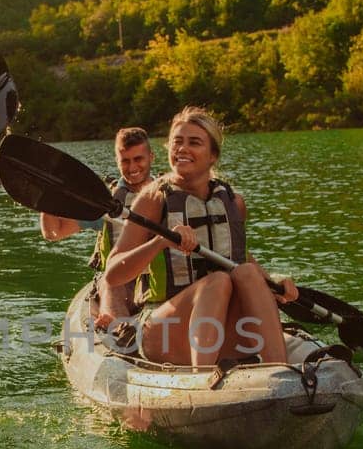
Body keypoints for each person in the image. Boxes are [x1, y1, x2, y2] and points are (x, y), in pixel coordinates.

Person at [102, 107, 299, 367]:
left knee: (247, 273)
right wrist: (160, 242)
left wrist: (273, 282)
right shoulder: (152, 199)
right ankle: (202, 378)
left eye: (194, 142)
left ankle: (282, 372)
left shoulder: (233, 202)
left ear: (213, 156)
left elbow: (239, 257)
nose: (182, 149)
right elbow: (113, 274)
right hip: (166, 331)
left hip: (221, 332)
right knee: (217, 281)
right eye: (177, 142)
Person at [39, 127, 154, 328]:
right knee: (112, 281)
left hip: (160, 277)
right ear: (117, 162)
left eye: (138, 159)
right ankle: (118, 327)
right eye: (125, 161)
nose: (132, 167)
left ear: (151, 157)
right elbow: (53, 232)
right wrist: (47, 198)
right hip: (120, 281)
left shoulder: (171, 195)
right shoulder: (106, 204)